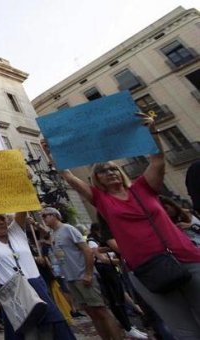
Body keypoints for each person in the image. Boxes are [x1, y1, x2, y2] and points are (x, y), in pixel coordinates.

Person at [42, 113, 200, 339]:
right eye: (102, 172)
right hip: (145, 267)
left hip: (186, 257)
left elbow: (157, 160)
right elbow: (68, 177)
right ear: (97, 179)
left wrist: (152, 131)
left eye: (112, 169)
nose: (109, 173)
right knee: (184, 329)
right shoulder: (101, 200)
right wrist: (51, 153)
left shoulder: (144, 187)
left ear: (120, 172)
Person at [0, 212, 76, 340]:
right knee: (27, 333)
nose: (0, 222)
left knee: (50, 328)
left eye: (2, 218)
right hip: (13, 291)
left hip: (36, 286)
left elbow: (21, 208)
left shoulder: (16, 230)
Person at [41, 207, 123, 340]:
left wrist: (88, 273)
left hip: (82, 276)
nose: (43, 219)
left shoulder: (68, 229)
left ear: (55, 215)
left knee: (101, 311)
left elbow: (87, 251)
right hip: (71, 278)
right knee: (91, 313)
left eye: (45, 216)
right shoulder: (53, 234)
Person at [87, 223, 148, 339]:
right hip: (105, 272)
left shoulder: (102, 240)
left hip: (113, 270)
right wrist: (117, 260)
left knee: (121, 295)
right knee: (116, 300)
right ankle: (127, 326)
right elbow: (101, 258)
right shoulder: (92, 241)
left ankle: (129, 325)